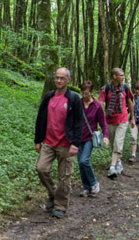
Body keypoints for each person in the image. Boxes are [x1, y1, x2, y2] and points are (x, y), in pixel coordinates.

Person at [34, 68, 83, 219]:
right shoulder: (48, 97)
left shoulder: (74, 99)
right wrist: (37, 140)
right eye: (57, 78)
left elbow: (78, 123)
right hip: (48, 142)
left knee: (64, 176)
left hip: (66, 144)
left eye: (62, 78)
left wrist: (75, 143)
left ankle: (60, 206)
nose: (59, 81)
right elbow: (40, 118)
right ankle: (53, 193)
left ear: (68, 80)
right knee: (41, 168)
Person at [98, 68, 135, 179]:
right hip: (109, 120)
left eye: (123, 75)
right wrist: (99, 118)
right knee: (113, 143)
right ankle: (118, 162)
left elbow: (130, 102)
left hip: (123, 119)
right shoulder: (106, 89)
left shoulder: (125, 88)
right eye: (121, 75)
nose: (123, 77)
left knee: (118, 142)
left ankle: (112, 167)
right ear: (114, 76)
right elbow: (100, 104)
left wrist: (132, 118)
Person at [77, 81, 109, 197]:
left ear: (91, 93)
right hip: (78, 137)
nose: (84, 96)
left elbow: (103, 123)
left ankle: (94, 182)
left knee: (84, 160)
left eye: (86, 93)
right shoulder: (78, 104)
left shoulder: (97, 106)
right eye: (82, 93)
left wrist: (105, 136)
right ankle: (86, 187)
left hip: (90, 138)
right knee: (80, 164)